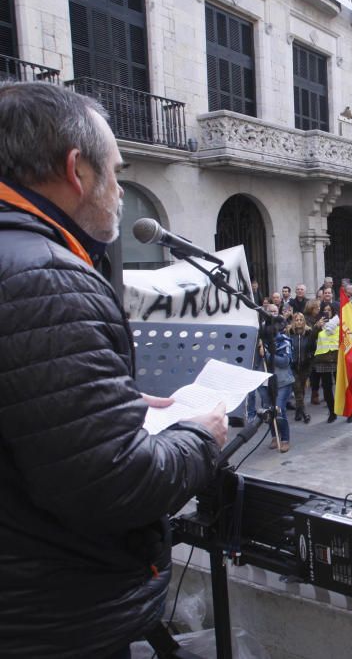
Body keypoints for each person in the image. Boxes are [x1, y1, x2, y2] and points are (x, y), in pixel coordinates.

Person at [0, 81, 227, 658]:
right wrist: (200, 436)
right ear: (77, 170)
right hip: (50, 620)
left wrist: (111, 410)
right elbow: (115, 484)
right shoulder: (45, 278)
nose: (122, 192)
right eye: (117, 172)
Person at [261, 332, 295, 453]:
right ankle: (275, 436)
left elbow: (284, 362)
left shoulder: (283, 341)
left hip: (282, 382)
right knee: (268, 410)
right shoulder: (259, 341)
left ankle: (285, 439)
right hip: (264, 382)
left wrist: (267, 355)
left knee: (279, 409)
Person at [287, 311, 319, 423]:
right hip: (293, 366)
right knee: (297, 389)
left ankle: (298, 411)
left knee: (301, 389)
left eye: (301, 320)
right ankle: (304, 413)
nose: (299, 322)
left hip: (305, 365)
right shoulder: (289, 333)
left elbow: (313, 348)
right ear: (293, 321)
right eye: (296, 320)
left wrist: (310, 360)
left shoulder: (309, 333)